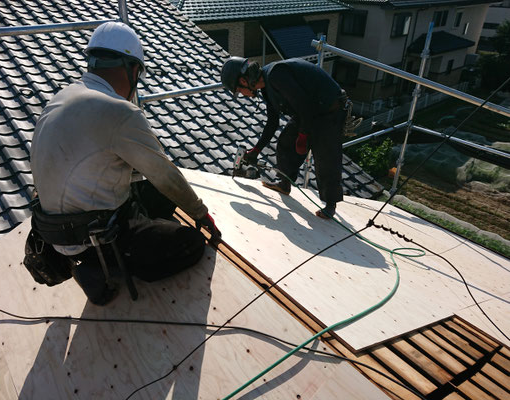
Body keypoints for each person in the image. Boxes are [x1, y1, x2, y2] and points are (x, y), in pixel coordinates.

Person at [30, 21, 220, 306]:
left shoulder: (64, 96)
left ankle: (97, 258)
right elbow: (165, 175)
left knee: (159, 196)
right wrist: (201, 213)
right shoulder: (118, 111)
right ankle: (101, 268)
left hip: (54, 226)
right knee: (190, 243)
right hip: (95, 238)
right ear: (132, 69)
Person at [221, 56, 348, 219]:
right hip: (308, 111)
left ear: (244, 81)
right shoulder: (266, 87)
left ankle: (330, 204)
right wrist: (256, 150)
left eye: (239, 90)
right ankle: (284, 183)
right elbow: (272, 122)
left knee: (325, 157)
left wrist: (303, 136)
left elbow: (305, 106)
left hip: (329, 111)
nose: (242, 94)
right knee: (286, 143)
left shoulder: (276, 75)